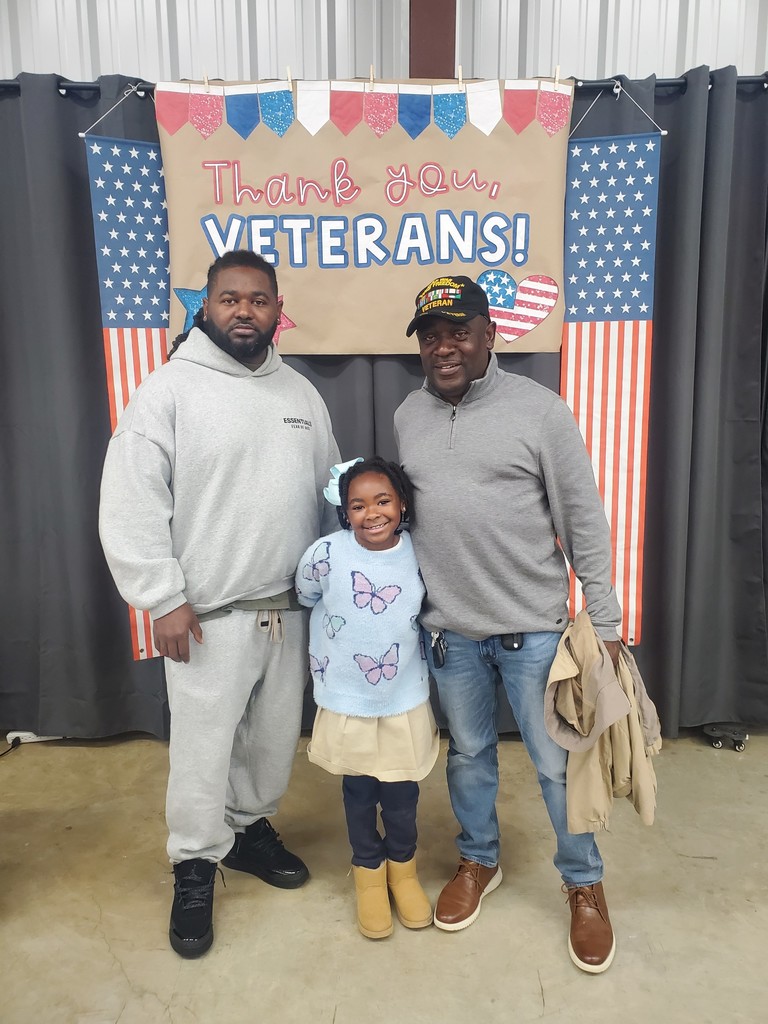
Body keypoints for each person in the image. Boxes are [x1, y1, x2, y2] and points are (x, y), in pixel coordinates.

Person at [99, 250, 340, 958]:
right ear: (206, 308)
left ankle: (249, 829)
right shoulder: (169, 391)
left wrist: (335, 591)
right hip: (204, 617)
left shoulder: (301, 396)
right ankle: (196, 862)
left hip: (289, 611)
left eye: (258, 299)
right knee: (204, 752)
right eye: (230, 299)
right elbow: (132, 498)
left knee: (270, 744)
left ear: (276, 310)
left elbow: (331, 495)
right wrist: (161, 597)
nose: (244, 310)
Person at [393, 274, 623, 974]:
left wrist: (605, 620)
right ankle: (478, 861)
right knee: (468, 758)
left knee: (558, 768)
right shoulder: (408, 414)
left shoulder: (541, 412)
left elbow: (581, 516)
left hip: (534, 633)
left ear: (491, 333)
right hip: (450, 634)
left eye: (458, 331)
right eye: (431, 336)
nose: (444, 347)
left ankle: (584, 883)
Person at [295, 456, 439, 940]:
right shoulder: (326, 554)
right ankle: (368, 876)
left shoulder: (420, 552)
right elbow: (308, 594)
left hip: (402, 697)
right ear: (343, 509)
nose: (371, 513)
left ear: (401, 503)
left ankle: (404, 871)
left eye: (382, 501)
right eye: (357, 505)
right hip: (348, 697)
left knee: (401, 795)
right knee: (358, 794)